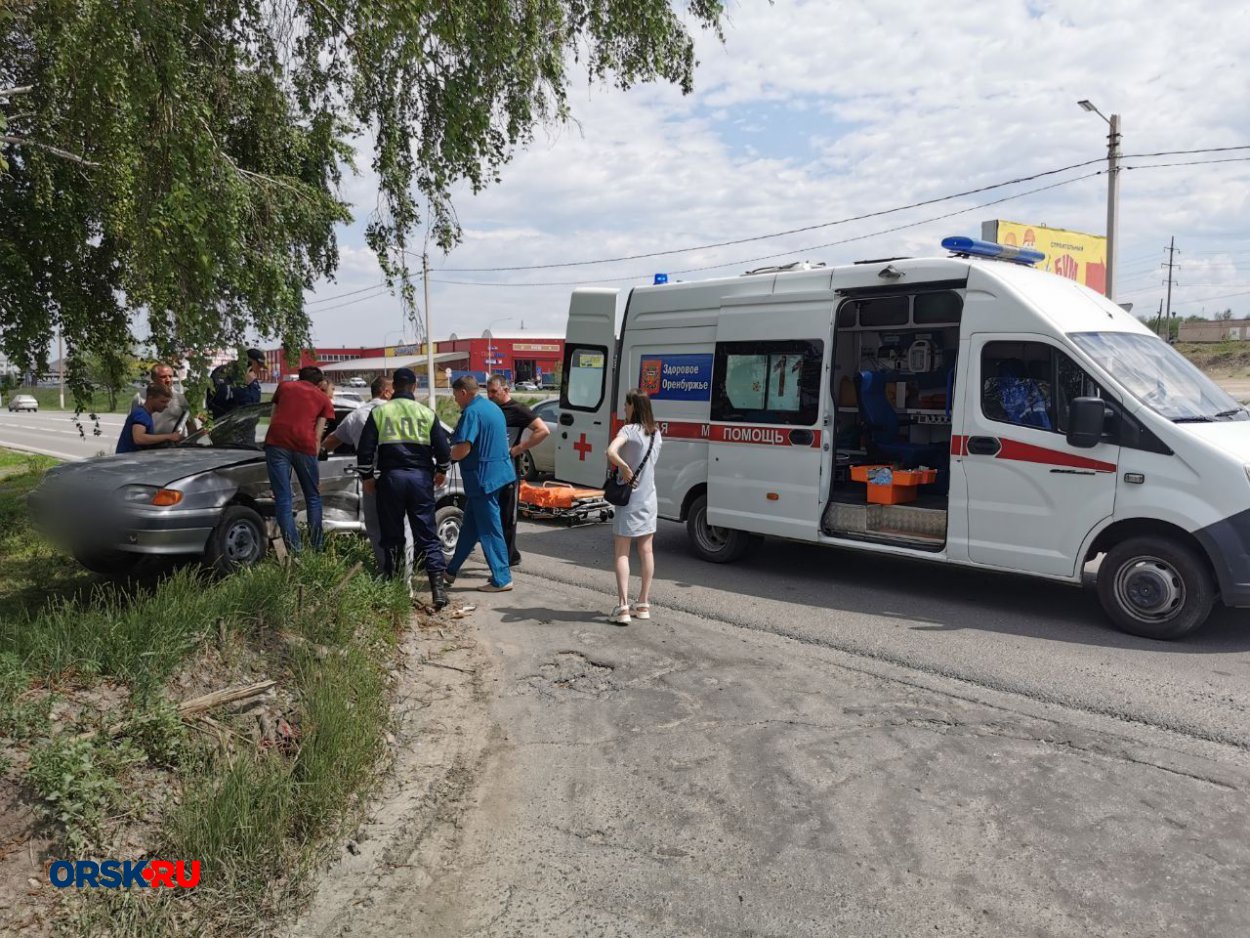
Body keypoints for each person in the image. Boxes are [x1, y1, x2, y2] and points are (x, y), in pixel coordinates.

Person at [357, 368, 452, 609]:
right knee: (427, 535)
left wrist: (367, 476)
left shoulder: (380, 412)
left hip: (391, 479)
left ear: (395, 386)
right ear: (413, 386)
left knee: (392, 536)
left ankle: (394, 587)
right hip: (421, 479)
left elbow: (365, 449)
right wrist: (441, 470)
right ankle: (438, 591)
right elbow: (443, 450)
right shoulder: (426, 413)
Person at [323, 375, 413, 575]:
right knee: (403, 526)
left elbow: (330, 442)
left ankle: (386, 573)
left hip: (370, 478)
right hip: (401, 475)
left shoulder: (356, 415)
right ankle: (405, 577)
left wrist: (314, 454)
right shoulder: (401, 412)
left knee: (375, 527)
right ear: (386, 392)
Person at [445, 375, 513, 592]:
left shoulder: (472, 412)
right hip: (497, 475)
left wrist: (444, 457)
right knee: (471, 527)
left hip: (483, 479)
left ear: (464, 392)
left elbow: (463, 448)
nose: (456, 400)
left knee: (490, 530)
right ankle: (451, 570)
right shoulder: (492, 408)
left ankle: (502, 578)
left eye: (456, 396)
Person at [604, 388, 662, 625]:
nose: (624, 409)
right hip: (649, 498)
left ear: (633, 407)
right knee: (646, 551)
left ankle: (623, 607)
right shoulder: (656, 433)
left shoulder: (628, 430)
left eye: (626, 405)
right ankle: (644, 603)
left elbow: (610, 451)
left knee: (622, 552)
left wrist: (624, 467)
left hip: (628, 501)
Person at [264, 365, 335, 553]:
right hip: (305, 446)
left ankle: (295, 550)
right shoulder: (323, 399)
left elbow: (273, 417)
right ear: (320, 383)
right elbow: (318, 436)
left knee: (283, 498)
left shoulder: (284, 387)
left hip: (277, 443)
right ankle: (317, 547)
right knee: (312, 496)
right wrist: (315, 465)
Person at [485, 374, 550, 566]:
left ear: (506, 390)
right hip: (489, 471)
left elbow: (543, 430)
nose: (490, 396)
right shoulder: (489, 409)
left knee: (508, 516)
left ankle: (509, 556)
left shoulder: (517, 410)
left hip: (508, 472)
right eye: (487, 392)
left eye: (494, 392)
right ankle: (503, 555)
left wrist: (518, 449)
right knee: (491, 515)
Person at [131, 363, 199, 435]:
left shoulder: (181, 399)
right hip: (147, 444)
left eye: (170, 376)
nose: (168, 380)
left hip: (174, 445)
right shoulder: (140, 398)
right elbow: (132, 426)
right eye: (163, 377)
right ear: (153, 378)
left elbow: (191, 427)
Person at [117, 384, 185, 453]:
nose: (166, 406)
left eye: (167, 402)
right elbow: (138, 438)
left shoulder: (145, 414)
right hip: (127, 459)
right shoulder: (141, 414)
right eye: (163, 402)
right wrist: (169, 436)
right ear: (150, 398)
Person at [207, 348, 266, 420]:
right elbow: (217, 398)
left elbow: (254, 402)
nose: (260, 370)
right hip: (226, 425)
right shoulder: (223, 373)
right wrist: (243, 385)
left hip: (247, 427)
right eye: (258, 366)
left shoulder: (252, 378)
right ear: (248, 362)